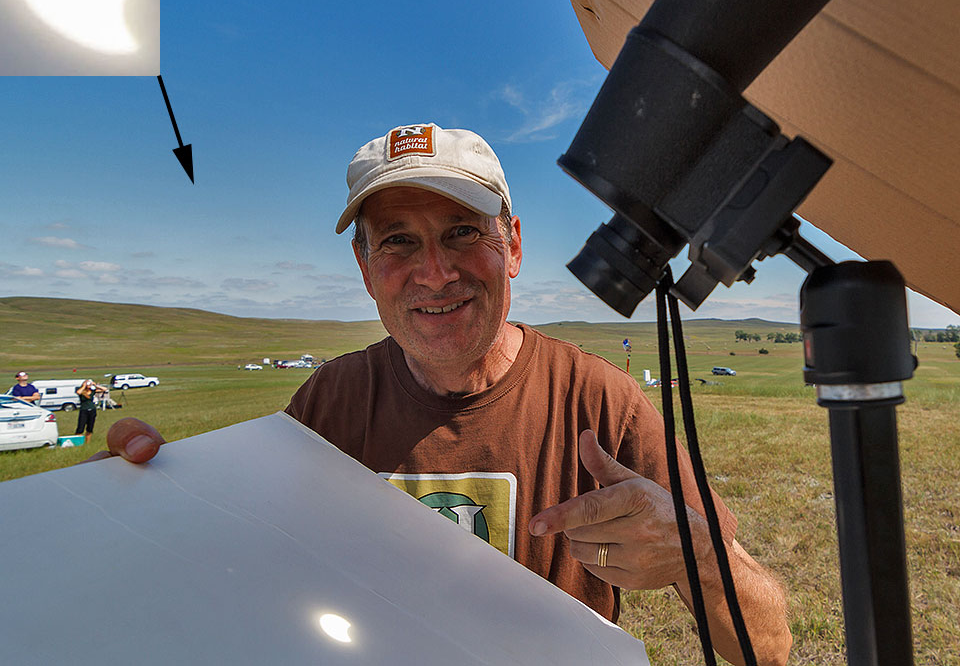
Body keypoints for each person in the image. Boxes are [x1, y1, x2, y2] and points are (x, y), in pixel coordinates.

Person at [97, 124, 791, 665]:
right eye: (397, 242)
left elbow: (769, 648)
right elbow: (242, 574)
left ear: (512, 247)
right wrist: (142, 501)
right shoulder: (329, 406)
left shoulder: (598, 402)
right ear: (365, 269)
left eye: (463, 232)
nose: (434, 272)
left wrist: (700, 557)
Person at [75, 379, 108, 443]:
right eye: (88, 384)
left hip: (92, 410)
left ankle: (88, 442)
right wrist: (84, 386)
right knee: (80, 427)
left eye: (90, 384)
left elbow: (105, 389)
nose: (89, 385)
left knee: (90, 427)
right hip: (84, 410)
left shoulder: (93, 391)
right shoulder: (82, 391)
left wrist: (96, 385)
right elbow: (78, 392)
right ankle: (78, 441)